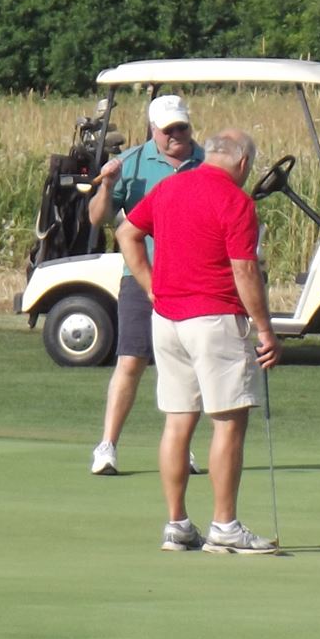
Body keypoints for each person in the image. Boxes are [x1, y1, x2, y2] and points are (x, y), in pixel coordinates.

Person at [117, 129, 283, 555]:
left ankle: (177, 525)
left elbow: (126, 234)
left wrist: (151, 286)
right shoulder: (236, 201)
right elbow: (244, 270)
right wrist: (265, 328)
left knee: (178, 421)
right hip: (214, 320)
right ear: (244, 164)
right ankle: (224, 526)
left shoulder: (170, 187)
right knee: (228, 420)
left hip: (168, 320)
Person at [85, 93, 202, 478]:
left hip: (191, 276)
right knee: (132, 359)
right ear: (153, 130)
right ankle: (107, 445)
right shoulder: (133, 162)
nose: (175, 136)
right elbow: (97, 219)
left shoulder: (205, 162)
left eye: (181, 128)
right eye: (168, 130)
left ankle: (180, 447)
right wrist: (107, 185)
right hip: (141, 274)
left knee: (188, 367)